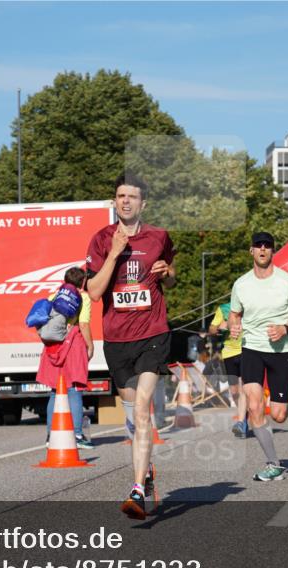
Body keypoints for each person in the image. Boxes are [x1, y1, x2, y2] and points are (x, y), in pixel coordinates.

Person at [87, 173, 176, 520]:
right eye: (120, 195)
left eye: (132, 196)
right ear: (114, 201)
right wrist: (114, 254)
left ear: (143, 204)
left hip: (153, 334)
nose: (126, 201)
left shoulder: (159, 237)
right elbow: (94, 292)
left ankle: (137, 489)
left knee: (142, 412)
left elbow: (171, 275)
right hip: (117, 339)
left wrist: (167, 273)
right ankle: (147, 470)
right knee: (131, 418)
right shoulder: (101, 240)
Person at [228, 231, 288, 482]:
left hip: (280, 351)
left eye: (267, 246)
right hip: (251, 348)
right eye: (258, 246)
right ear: (251, 251)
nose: (262, 250)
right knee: (254, 406)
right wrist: (233, 325)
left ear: (273, 251)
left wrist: (285, 328)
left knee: (279, 414)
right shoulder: (241, 284)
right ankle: (274, 463)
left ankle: (283, 404)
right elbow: (234, 314)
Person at [37, 267, 94, 448]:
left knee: (55, 391)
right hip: (72, 344)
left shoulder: (55, 296)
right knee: (74, 389)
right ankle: (77, 435)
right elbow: (83, 324)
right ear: (82, 282)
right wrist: (90, 346)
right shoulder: (82, 297)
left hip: (53, 346)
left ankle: (50, 435)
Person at [209, 301, 249, 438]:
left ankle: (241, 422)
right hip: (229, 352)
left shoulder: (250, 304)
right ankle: (243, 414)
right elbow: (212, 329)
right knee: (234, 390)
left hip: (247, 350)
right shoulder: (224, 308)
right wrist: (221, 327)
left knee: (243, 387)